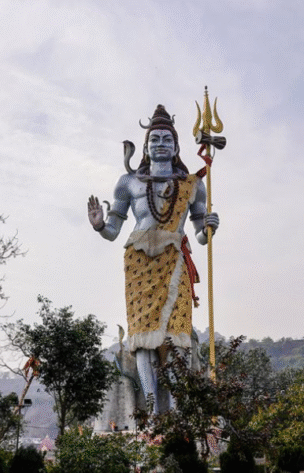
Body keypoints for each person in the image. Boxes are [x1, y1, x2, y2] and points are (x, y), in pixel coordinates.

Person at [88, 104, 219, 414]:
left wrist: (210, 228)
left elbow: (201, 235)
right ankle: (152, 409)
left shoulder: (192, 185)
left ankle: (176, 410)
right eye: (155, 139)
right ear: (145, 147)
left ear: (175, 147)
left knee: (177, 338)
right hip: (138, 264)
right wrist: (98, 226)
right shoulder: (129, 183)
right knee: (144, 340)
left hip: (174, 261)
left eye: (167, 139)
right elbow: (112, 231)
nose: (161, 144)